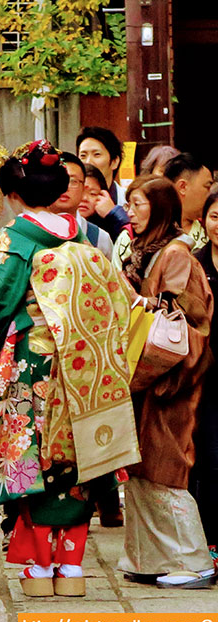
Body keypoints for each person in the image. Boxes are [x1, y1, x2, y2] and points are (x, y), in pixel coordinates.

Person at [0, 140, 138, 597]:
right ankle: (71, 565)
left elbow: (2, 299)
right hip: (85, 364)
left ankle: (39, 565)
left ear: (14, 195)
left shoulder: (19, 237)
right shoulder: (78, 234)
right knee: (79, 457)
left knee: (34, 457)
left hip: (36, 362)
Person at [119, 176, 215, 588]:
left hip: (169, 383)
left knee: (166, 466)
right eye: (130, 204)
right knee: (142, 468)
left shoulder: (175, 257)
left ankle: (193, 560)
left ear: (159, 208)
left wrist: (139, 302)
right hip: (150, 380)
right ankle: (149, 558)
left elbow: (191, 321)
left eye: (139, 204)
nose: (132, 213)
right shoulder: (152, 253)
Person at [192, 189, 218, 564]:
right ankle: (211, 541)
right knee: (210, 458)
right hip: (207, 374)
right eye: (215, 216)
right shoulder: (195, 264)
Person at [50, 152, 113, 261]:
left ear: (83, 187)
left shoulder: (99, 237)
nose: (65, 187)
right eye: (58, 179)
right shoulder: (28, 230)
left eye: (73, 181)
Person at [76, 126, 130, 241]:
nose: (88, 161)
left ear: (114, 161)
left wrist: (114, 214)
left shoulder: (128, 200)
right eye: (83, 156)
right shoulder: (69, 198)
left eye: (97, 155)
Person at [163, 153, 213, 250]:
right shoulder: (149, 231)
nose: (210, 195)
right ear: (183, 187)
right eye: (207, 187)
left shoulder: (211, 229)